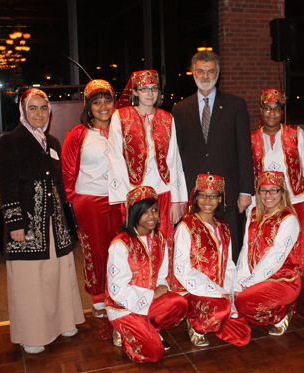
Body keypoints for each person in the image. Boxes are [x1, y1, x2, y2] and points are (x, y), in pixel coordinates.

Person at [0, 88, 85, 354]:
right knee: (30, 281)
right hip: (27, 224)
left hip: (53, 225)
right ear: (23, 111)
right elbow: (7, 188)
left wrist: (66, 222)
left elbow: (58, 184)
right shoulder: (9, 142)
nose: (38, 114)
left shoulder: (53, 143)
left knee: (57, 275)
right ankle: (31, 334)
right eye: (32, 108)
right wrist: (15, 225)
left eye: (43, 108)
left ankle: (63, 322)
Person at [172, 51, 255, 261]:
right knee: (198, 245)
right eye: (201, 71)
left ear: (218, 73)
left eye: (210, 71)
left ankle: (231, 287)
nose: (206, 76)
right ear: (193, 73)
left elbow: (245, 150)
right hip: (194, 190)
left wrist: (246, 191)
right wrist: (179, 195)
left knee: (231, 244)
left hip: (229, 190)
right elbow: (177, 156)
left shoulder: (236, 105)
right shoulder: (179, 109)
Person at [106, 186, 188, 363]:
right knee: (155, 354)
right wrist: (152, 294)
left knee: (179, 304)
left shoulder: (159, 239)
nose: (151, 216)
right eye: (144, 212)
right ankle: (128, 338)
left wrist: (159, 290)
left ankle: (149, 329)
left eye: (155, 210)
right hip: (124, 307)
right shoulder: (120, 245)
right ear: (133, 214)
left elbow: (161, 275)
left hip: (148, 301)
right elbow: (117, 291)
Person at [62, 79, 123, 317]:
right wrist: (72, 204)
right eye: (96, 102)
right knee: (96, 251)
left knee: (119, 249)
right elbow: (67, 173)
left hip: (119, 201)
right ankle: (98, 297)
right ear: (88, 106)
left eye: (107, 100)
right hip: (89, 201)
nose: (103, 106)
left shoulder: (122, 131)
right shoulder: (78, 134)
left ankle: (117, 292)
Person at [171, 174, 251, 347]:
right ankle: (196, 325)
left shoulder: (224, 228)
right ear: (196, 197)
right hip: (192, 290)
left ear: (220, 199)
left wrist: (227, 292)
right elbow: (181, 270)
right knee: (222, 309)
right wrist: (216, 292)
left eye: (213, 195)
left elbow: (229, 265)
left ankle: (219, 315)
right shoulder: (186, 227)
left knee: (242, 335)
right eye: (202, 195)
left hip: (219, 291)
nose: (207, 200)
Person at [108, 70, 188, 240]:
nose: (150, 93)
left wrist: (177, 200)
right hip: (134, 192)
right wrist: (126, 198)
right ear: (135, 91)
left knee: (164, 242)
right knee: (137, 244)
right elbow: (115, 158)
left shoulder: (167, 118)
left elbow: (173, 160)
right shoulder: (120, 117)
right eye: (144, 89)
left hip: (163, 191)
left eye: (154, 88)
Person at [251, 88, 304, 274]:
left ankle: (293, 283)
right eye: (267, 108)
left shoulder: (296, 134)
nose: (272, 113)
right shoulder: (252, 139)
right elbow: (251, 172)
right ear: (261, 110)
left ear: (282, 111)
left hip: (296, 200)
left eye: (277, 109)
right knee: (269, 246)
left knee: (297, 246)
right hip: (265, 203)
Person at [234, 171, 301, 336]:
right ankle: (282, 306)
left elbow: (275, 256)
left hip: (283, 280)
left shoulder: (288, 219)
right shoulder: (254, 213)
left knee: (242, 303)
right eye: (263, 190)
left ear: (282, 192)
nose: (268, 195)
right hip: (256, 277)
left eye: (273, 190)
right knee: (233, 298)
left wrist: (249, 282)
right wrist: (239, 280)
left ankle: (280, 315)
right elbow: (246, 248)